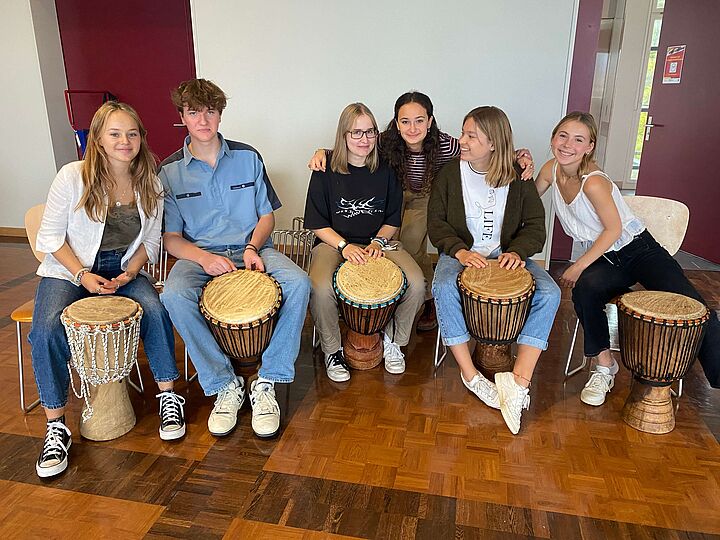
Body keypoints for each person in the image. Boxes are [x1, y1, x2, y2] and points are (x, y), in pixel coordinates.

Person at [30, 101, 185, 478]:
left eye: (132, 133)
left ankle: (168, 397)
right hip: (68, 270)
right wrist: (82, 275)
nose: (124, 141)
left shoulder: (150, 181)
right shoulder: (72, 176)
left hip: (122, 268)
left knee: (155, 310)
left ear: (141, 138)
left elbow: (151, 242)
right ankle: (56, 426)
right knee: (45, 329)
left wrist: (131, 273)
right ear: (98, 139)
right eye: (114, 134)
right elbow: (50, 237)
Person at [158, 79, 310, 439]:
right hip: (199, 255)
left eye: (210, 111)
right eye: (194, 112)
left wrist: (252, 248)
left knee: (300, 282)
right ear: (182, 116)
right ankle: (224, 383)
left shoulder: (248, 157)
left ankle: (268, 379)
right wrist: (203, 258)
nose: (203, 120)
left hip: (253, 248)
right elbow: (171, 238)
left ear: (220, 114)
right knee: (173, 295)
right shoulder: (168, 171)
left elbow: (267, 216)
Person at [308, 91, 535, 332]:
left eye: (419, 120)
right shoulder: (382, 140)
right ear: (396, 124)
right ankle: (370, 294)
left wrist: (516, 156)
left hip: (424, 195)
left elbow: (482, 150)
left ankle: (424, 299)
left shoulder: (447, 145)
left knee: (411, 242)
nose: (412, 128)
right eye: (405, 121)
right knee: (387, 240)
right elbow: (353, 144)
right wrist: (322, 152)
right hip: (390, 192)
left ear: (430, 121)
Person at [535, 111, 720, 404]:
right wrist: (519, 167)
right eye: (563, 136)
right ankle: (604, 367)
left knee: (692, 303)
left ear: (589, 147)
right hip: (606, 258)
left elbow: (614, 230)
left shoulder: (593, 182)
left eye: (579, 139)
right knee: (585, 290)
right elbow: (528, 201)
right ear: (553, 138)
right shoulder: (550, 170)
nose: (568, 145)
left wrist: (578, 265)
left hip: (638, 250)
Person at [428, 106, 560, 435]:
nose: (462, 140)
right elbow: (437, 223)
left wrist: (517, 251)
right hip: (461, 253)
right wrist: (460, 251)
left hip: (505, 255)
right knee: (442, 286)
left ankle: (518, 382)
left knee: (550, 292)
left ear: (493, 143)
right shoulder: (449, 174)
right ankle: (470, 375)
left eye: (471, 136)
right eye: (463, 132)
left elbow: (535, 226)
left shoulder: (518, 176)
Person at [303, 102, 425, 382]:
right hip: (334, 243)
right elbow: (317, 223)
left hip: (379, 243)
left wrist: (379, 242)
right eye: (356, 133)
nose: (364, 139)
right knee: (320, 287)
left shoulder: (387, 169)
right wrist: (344, 247)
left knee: (417, 283)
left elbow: (393, 219)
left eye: (370, 132)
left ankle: (394, 341)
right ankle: (333, 350)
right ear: (344, 135)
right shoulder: (324, 169)